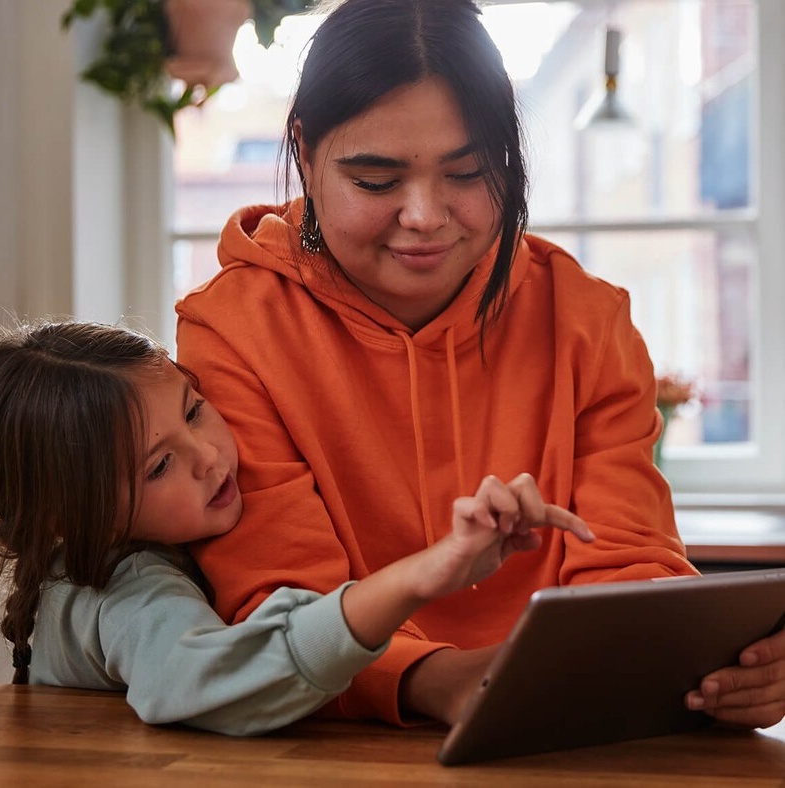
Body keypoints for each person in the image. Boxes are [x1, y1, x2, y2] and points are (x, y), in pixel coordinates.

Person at [175, 0, 785, 731]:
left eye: (467, 173)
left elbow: (627, 563)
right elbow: (276, 608)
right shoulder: (231, 329)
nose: (425, 216)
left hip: (560, 726)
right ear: (303, 151)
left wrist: (713, 669)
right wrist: (436, 679)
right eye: (376, 181)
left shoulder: (587, 318)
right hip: (326, 743)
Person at [0, 319, 593, 735]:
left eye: (194, 411)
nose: (209, 456)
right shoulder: (122, 589)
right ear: (66, 516)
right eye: (159, 466)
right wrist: (415, 579)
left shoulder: (155, 543)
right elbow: (203, 679)